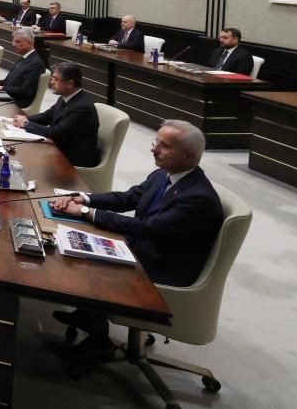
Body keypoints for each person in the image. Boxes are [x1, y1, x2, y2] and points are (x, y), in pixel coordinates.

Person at [49, 120, 223, 358]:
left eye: (164, 146)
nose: (154, 149)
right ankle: (89, 317)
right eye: (156, 142)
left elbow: (147, 228)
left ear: (188, 156)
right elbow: (128, 198)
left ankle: (98, 342)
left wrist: (85, 212)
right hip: (145, 248)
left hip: (163, 269)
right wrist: (84, 199)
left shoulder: (198, 198)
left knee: (88, 261)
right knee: (76, 241)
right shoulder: (164, 174)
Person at [11, 62, 100, 167]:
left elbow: (55, 133)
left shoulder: (82, 108)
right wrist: (24, 119)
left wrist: (26, 124)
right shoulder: (66, 97)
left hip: (73, 158)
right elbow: (47, 116)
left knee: (25, 159)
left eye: (56, 79)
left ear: (70, 84)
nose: (51, 82)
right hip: (61, 147)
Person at [0, 28, 44, 108]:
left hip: (16, 102)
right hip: (8, 95)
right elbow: (11, 80)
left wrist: (2, 88)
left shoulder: (35, 64)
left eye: (17, 42)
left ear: (29, 42)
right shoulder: (25, 57)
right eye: (14, 41)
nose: (13, 44)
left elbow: (25, 92)